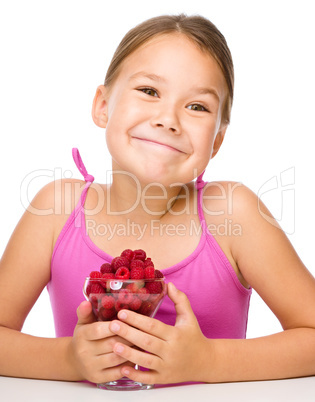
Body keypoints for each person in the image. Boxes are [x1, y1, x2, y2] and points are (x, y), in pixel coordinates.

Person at [0, 13, 314, 386]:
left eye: (197, 106)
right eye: (149, 91)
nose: (168, 119)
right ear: (102, 105)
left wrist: (209, 361)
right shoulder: (56, 210)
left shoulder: (232, 213)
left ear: (217, 141)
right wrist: (68, 359)